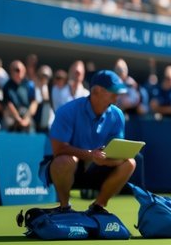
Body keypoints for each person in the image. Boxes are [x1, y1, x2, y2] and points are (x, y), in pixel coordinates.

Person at [46, 70, 136, 215]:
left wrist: (109, 160)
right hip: (71, 166)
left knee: (130, 163)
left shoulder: (117, 115)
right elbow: (58, 150)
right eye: (112, 93)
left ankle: (98, 206)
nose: (116, 98)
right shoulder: (67, 111)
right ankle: (64, 207)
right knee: (64, 161)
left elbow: (117, 151)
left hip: (100, 164)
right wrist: (90, 155)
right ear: (96, 91)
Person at [0, 59, 38, 133]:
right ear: (11, 71)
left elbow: (34, 102)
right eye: (17, 70)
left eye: (22, 70)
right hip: (12, 116)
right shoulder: (7, 86)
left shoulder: (29, 84)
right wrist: (18, 119)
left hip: (27, 114)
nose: (19, 72)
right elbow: (8, 104)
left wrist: (27, 118)